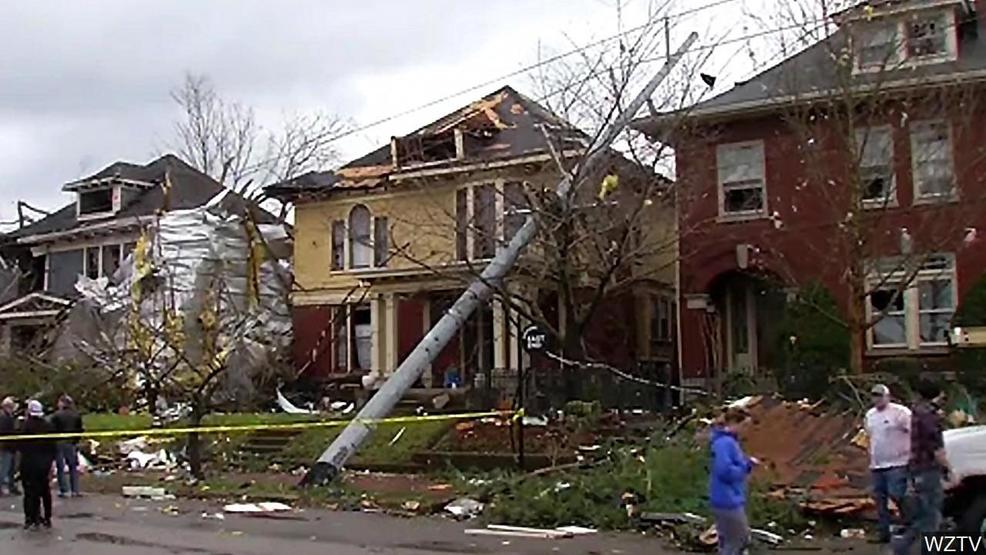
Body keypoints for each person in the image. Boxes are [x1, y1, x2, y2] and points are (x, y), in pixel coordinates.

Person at [893, 381, 951, 555]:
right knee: (931, 517)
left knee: (924, 515)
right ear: (937, 395)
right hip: (929, 470)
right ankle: (905, 548)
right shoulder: (929, 417)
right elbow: (935, 447)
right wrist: (949, 469)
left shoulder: (917, 412)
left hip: (917, 469)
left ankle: (904, 547)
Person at [865, 384, 911, 543]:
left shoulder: (901, 413)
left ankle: (910, 523)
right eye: (874, 396)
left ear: (888, 396)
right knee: (879, 499)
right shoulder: (870, 415)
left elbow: (913, 433)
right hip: (877, 464)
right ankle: (883, 533)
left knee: (897, 494)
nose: (877, 399)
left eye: (880, 395)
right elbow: (870, 436)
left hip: (897, 462)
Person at [709, 407, 758, 555]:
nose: (745, 430)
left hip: (728, 497)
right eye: (744, 426)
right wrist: (745, 468)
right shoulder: (725, 443)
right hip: (727, 499)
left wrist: (747, 464)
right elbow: (724, 471)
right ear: (734, 423)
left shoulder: (728, 442)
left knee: (729, 541)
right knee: (739, 539)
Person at [18, 400, 55, 529]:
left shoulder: (25, 426)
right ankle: (47, 517)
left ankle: (31, 518)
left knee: (29, 492)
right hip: (44, 464)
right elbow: (52, 446)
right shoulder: (48, 426)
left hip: (29, 463)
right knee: (45, 491)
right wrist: (51, 462)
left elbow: (20, 444)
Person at [51, 395, 83, 498]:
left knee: (60, 467)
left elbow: (52, 429)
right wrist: (75, 441)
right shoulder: (76, 415)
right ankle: (75, 490)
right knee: (73, 466)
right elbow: (80, 429)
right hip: (71, 442)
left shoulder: (56, 416)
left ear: (62, 403)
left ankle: (64, 490)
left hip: (59, 442)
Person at [0, 397, 19, 496]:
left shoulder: (8, 417)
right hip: (7, 446)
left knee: (10, 468)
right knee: (4, 468)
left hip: (10, 446)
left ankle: (12, 486)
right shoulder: (4, 418)